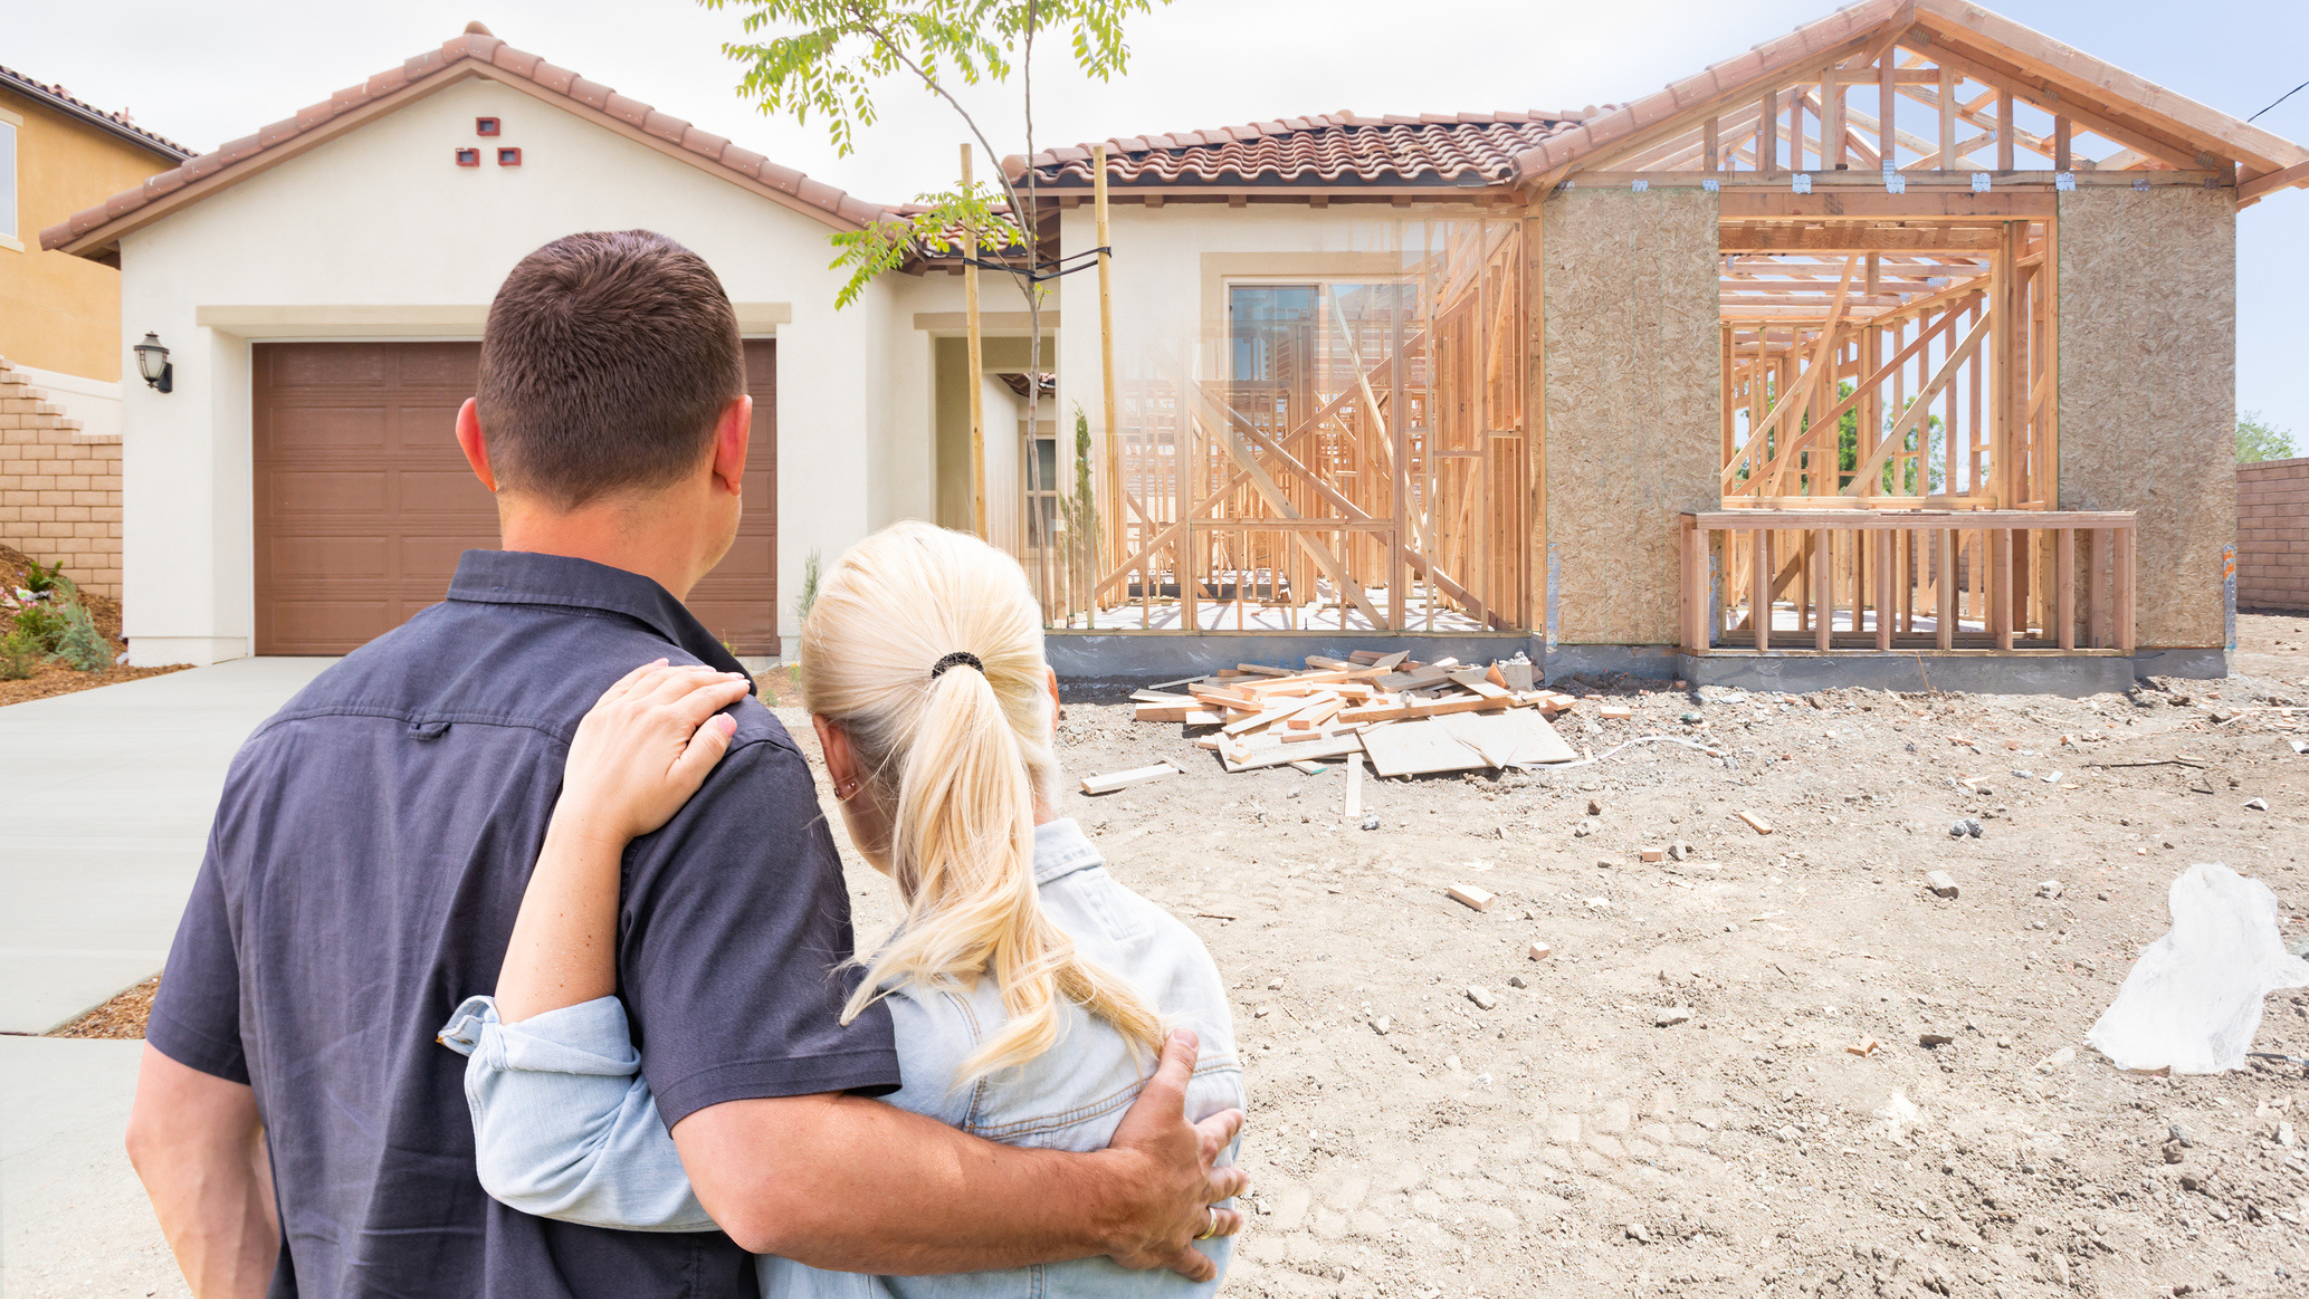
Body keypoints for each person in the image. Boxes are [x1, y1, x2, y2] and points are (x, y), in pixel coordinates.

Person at [123, 229, 1246, 1299]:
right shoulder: (713, 756)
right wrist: (1104, 1201)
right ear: (732, 442)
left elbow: (174, 1136)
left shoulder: (286, 749)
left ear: (474, 443)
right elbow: (769, 1165)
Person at [439, 521, 1245, 1296]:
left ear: (833, 750)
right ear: (1049, 699)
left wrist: (586, 817)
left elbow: (549, 1142)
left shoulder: (884, 1048)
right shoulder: (1183, 971)